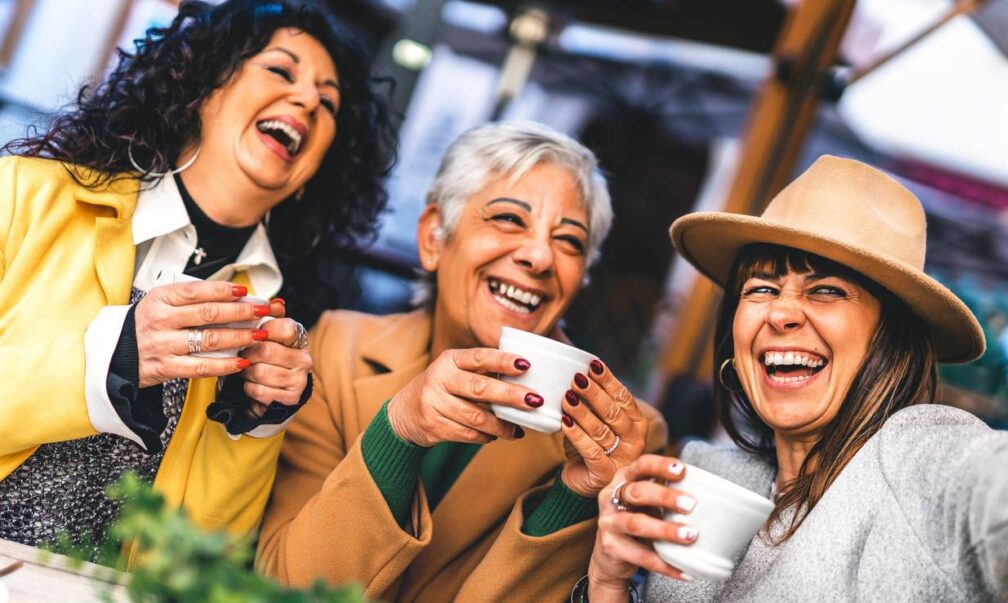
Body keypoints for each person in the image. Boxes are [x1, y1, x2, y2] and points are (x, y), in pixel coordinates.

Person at [0, 0, 395, 563]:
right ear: (201, 88)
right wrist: (111, 359)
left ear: (315, 173)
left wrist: (258, 427)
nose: (308, 99)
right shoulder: (20, 195)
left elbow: (205, 559)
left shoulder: (278, 320)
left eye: (328, 104)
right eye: (281, 71)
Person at [578, 155, 1008, 602]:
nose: (781, 312)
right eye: (761, 289)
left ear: (892, 341)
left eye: (827, 290)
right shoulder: (707, 477)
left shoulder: (919, 464)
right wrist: (608, 583)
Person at [257, 121, 668, 600]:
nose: (539, 256)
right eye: (510, 219)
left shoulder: (623, 438)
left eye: (569, 241)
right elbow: (281, 587)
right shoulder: (336, 347)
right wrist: (399, 432)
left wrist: (575, 501)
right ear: (434, 236)